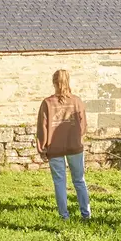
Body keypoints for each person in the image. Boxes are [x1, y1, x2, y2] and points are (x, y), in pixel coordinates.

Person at [37, 69, 90, 221]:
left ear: (53, 82)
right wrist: (75, 137)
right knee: (79, 180)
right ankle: (86, 214)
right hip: (74, 146)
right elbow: (83, 125)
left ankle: (64, 216)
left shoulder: (47, 103)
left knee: (59, 181)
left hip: (55, 147)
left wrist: (42, 147)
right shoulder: (77, 101)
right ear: (69, 81)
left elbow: (43, 127)